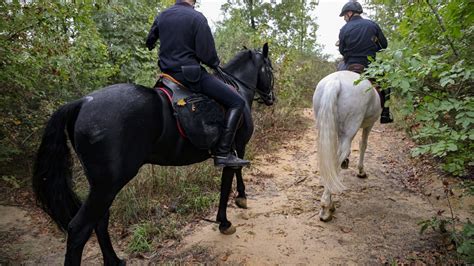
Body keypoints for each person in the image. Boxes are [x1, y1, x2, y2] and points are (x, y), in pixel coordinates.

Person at [146, 0, 250, 167]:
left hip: (167, 77)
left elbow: (149, 41)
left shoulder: (162, 15)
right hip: (189, 76)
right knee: (237, 101)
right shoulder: (197, 17)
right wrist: (215, 63)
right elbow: (207, 56)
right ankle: (223, 153)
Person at [337, 1, 393, 124]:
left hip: (349, 63)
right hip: (369, 64)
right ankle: (385, 114)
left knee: (337, 76)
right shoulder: (372, 25)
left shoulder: (344, 29)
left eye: (345, 15)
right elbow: (384, 45)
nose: (345, 19)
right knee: (386, 84)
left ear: (350, 13)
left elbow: (341, 50)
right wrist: (372, 48)